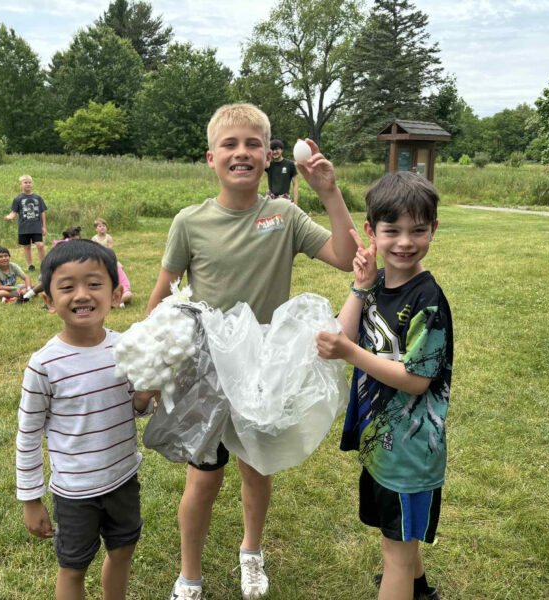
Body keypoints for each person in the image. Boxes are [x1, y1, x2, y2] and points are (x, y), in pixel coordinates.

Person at [146, 103, 357, 600]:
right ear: (210, 157)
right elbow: (159, 299)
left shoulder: (284, 216)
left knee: (256, 469)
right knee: (203, 481)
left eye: (252, 144)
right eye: (230, 144)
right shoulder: (190, 222)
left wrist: (329, 191)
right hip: (208, 371)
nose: (241, 153)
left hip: (266, 371)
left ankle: (251, 553)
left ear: (269, 157)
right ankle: (189, 576)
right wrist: (153, 371)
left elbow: (347, 258)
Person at [315, 171, 453, 600]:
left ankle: (405, 585)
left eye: (419, 230)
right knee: (397, 536)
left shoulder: (427, 301)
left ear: (434, 228)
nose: (405, 242)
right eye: (392, 230)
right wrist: (360, 285)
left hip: (410, 453)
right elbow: (344, 332)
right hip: (382, 443)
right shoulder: (379, 285)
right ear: (372, 232)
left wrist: (350, 354)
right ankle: (420, 589)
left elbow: (416, 381)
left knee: (395, 551)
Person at [15, 240, 154, 600]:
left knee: (123, 550)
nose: (82, 295)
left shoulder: (127, 348)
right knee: (74, 566)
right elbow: (28, 436)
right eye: (67, 287)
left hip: (123, 477)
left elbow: (136, 408)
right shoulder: (44, 365)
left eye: (94, 284)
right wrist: (31, 499)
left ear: (116, 293)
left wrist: (143, 398)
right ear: (47, 300)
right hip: (75, 492)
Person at [5, 174, 47, 272]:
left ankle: (44, 265)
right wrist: (9, 217)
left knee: (40, 245)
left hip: (36, 227)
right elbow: (13, 212)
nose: (28, 184)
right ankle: (30, 265)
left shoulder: (38, 198)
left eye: (29, 182)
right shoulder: (17, 199)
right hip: (24, 227)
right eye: (25, 183)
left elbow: (42, 212)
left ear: (32, 184)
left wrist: (44, 227)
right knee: (27, 246)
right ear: (21, 185)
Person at [92, 219, 132, 307]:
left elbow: (110, 249)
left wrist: (113, 260)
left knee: (128, 295)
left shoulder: (109, 238)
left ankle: (113, 303)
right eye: (99, 226)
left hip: (117, 290)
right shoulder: (94, 239)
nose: (102, 228)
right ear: (96, 229)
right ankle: (113, 302)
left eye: (104, 226)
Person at [265, 139, 299, 205]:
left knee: (285, 215)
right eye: (272, 149)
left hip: (285, 198)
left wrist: (295, 202)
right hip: (271, 197)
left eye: (277, 149)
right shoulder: (269, 165)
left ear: (282, 150)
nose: (274, 151)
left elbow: (295, 184)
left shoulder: (290, 164)